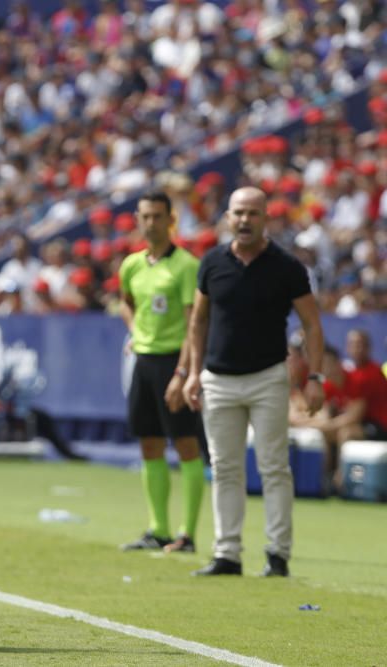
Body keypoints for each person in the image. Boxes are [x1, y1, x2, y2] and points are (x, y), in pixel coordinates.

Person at [183, 187, 325, 577]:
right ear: (228, 217)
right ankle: (226, 553)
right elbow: (198, 321)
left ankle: (277, 554)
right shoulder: (211, 262)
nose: (244, 220)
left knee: (274, 467)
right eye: (238, 213)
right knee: (225, 467)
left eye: (253, 213)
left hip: (267, 378)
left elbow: (312, 323)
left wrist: (314, 376)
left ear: (266, 219)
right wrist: (193, 372)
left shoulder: (287, 267)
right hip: (218, 378)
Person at [118, 191, 205, 554]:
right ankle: (159, 529)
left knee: (185, 444)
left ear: (170, 220)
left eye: (157, 216)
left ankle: (188, 533)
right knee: (149, 444)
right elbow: (125, 301)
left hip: (174, 362)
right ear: (138, 220)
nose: (150, 223)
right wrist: (136, 330)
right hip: (144, 361)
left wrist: (183, 372)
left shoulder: (186, 265)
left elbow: (194, 324)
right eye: (145, 216)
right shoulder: (132, 265)